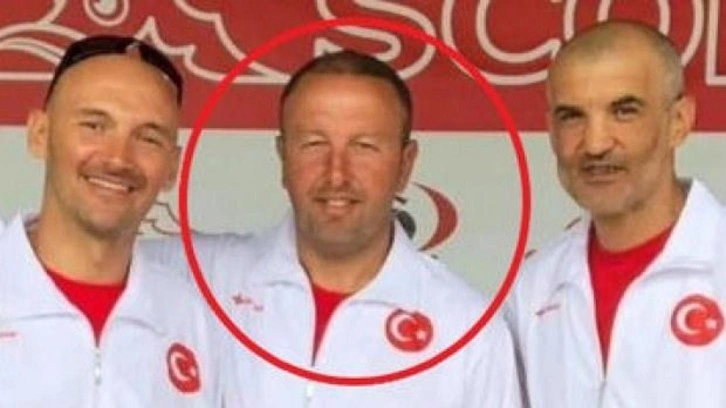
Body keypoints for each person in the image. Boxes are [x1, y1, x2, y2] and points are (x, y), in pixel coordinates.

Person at [143, 50, 521, 406]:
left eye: (364, 146)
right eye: (314, 144)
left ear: (405, 165)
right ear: (283, 157)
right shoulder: (191, 276)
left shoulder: (468, 330)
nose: (336, 174)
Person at [506, 20, 726, 407]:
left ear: (679, 121)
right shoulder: (533, 287)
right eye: (572, 116)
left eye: (624, 111)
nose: (595, 144)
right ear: (550, 130)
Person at [0, 35, 220, 406]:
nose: (118, 158)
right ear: (40, 135)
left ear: (172, 167)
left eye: (148, 138)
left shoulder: (186, 315)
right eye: (94, 125)